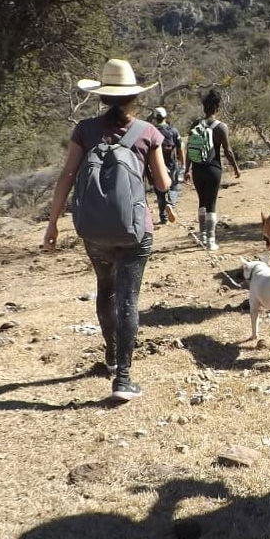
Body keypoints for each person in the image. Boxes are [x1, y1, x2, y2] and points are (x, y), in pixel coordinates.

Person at [42, 59, 171, 401]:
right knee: (129, 297)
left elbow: (66, 177)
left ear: (101, 97)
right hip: (135, 231)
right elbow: (162, 182)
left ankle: (112, 357)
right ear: (134, 98)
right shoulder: (148, 132)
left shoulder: (84, 130)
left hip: (94, 231)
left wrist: (53, 224)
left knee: (106, 289)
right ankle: (124, 379)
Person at [184, 89, 240, 251]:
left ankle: (202, 236)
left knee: (202, 202)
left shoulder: (196, 125)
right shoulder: (221, 128)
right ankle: (211, 240)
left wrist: (187, 169)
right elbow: (228, 151)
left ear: (204, 107)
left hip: (197, 170)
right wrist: (235, 168)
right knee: (212, 203)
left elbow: (190, 148)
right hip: (213, 169)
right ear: (217, 107)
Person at [151, 106, 184, 225]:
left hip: (156, 165)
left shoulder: (151, 132)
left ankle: (163, 217)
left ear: (155, 118)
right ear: (165, 117)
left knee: (160, 192)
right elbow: (180, 149)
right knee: (174, 186)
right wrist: (183, 163)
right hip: (172, 164)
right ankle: (170, 203)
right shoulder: (173, 131)